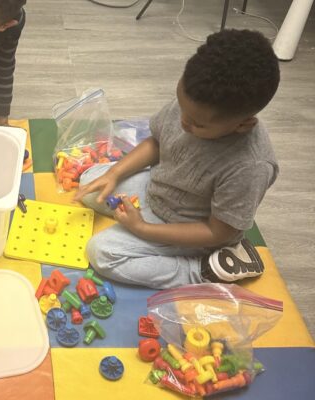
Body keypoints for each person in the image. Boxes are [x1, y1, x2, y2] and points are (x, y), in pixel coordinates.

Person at [73, 29, 280, 289]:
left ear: (243, 124)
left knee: (102, 254)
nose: (183, 123)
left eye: (196, 124)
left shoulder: (249, 166)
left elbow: (218, 232)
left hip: (190, 226)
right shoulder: (196, 101)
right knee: (90, 181)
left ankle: (202, 272)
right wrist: (113, 174)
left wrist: (143, 230)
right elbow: (157, 142)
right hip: (157, 189)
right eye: (182, 107)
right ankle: (133, 211)